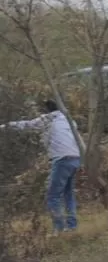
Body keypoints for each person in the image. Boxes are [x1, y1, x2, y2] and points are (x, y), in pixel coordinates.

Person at [0, 100, 83, 234]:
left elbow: (27, 125)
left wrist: (5, 126)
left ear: (46, 110)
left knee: (53, 196)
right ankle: (72, 226)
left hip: (61, 159)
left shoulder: (48, 119)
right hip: (76, 158)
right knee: (68, 194)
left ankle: (59, 229)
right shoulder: (69, 121)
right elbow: (78, 140)